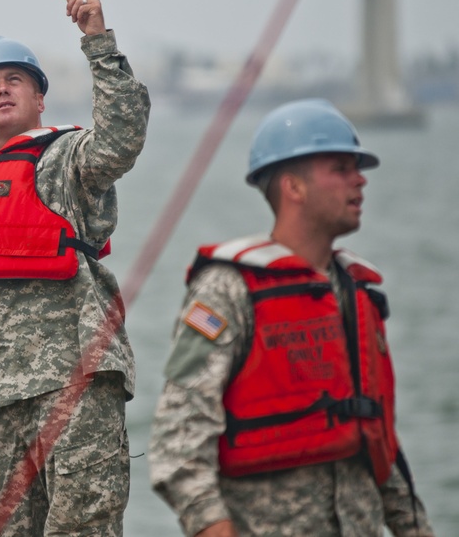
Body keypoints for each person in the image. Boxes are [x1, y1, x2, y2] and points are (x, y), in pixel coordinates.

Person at [0, 0, 150, 536]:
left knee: (82, 529)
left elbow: (122, 138)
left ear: (40, 99)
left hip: (77, 386)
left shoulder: (67, 159)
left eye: (15, 80)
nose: (2, 90)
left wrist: (97, 41)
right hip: (4, 404)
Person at [148, 98, 435, 537]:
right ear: (293, 188)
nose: (359, 181)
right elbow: (178, 444)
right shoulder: (228, 292)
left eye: (356, 168)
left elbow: (379, 445)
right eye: (340, 168)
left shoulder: (358, 294)